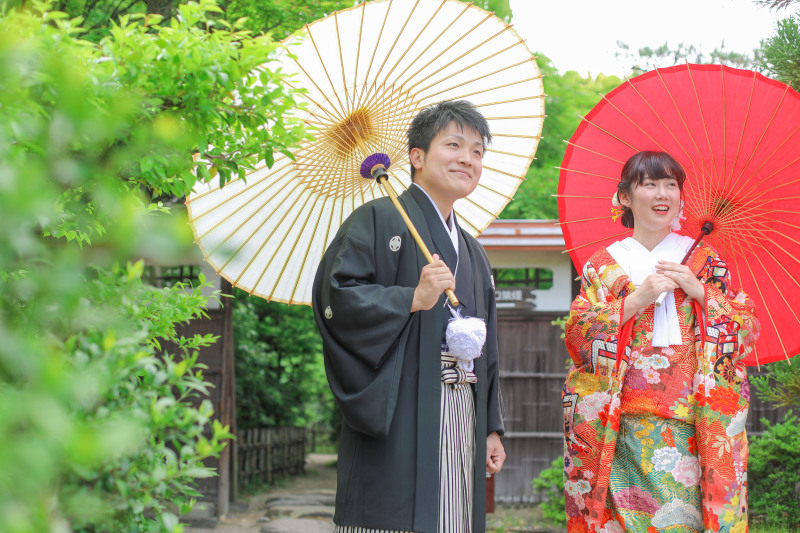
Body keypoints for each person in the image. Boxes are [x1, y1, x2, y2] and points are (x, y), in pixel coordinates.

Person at [312, 100, 505, 533]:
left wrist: (492, 426)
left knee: (454, 516)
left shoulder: (473, 251)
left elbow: (489, 345)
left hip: (464, 407)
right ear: (416, 157)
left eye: (477, 151)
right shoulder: (376, 221)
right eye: (453, 145)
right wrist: (411, 298)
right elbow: (336, 299)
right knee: (395, 517)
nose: (468, 159)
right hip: (402, 404)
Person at [561, 151, 759, 533]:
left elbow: (745, 328)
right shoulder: (602, 265)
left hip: (692, 428)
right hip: (617, 429)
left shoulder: (703, 260)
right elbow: (578, 336)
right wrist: (636, 300)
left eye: (671, 184)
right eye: (649, 184)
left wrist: (699, 290)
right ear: (625, 198)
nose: (662, 193)